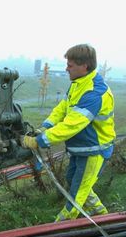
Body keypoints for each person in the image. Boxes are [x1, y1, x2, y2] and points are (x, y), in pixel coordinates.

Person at [22, 44, 116, 222]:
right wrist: (46, 126)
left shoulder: (94, 93)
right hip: (82, 148)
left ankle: (59, 228)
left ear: (84, 66)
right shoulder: (78, 84)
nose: (66, 69)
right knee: (74, 180)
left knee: (77, 192)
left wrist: (40, 141)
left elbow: (71, 125)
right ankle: (103, 216)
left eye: (70, 65)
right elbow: (64, 107)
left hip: (93, 150)